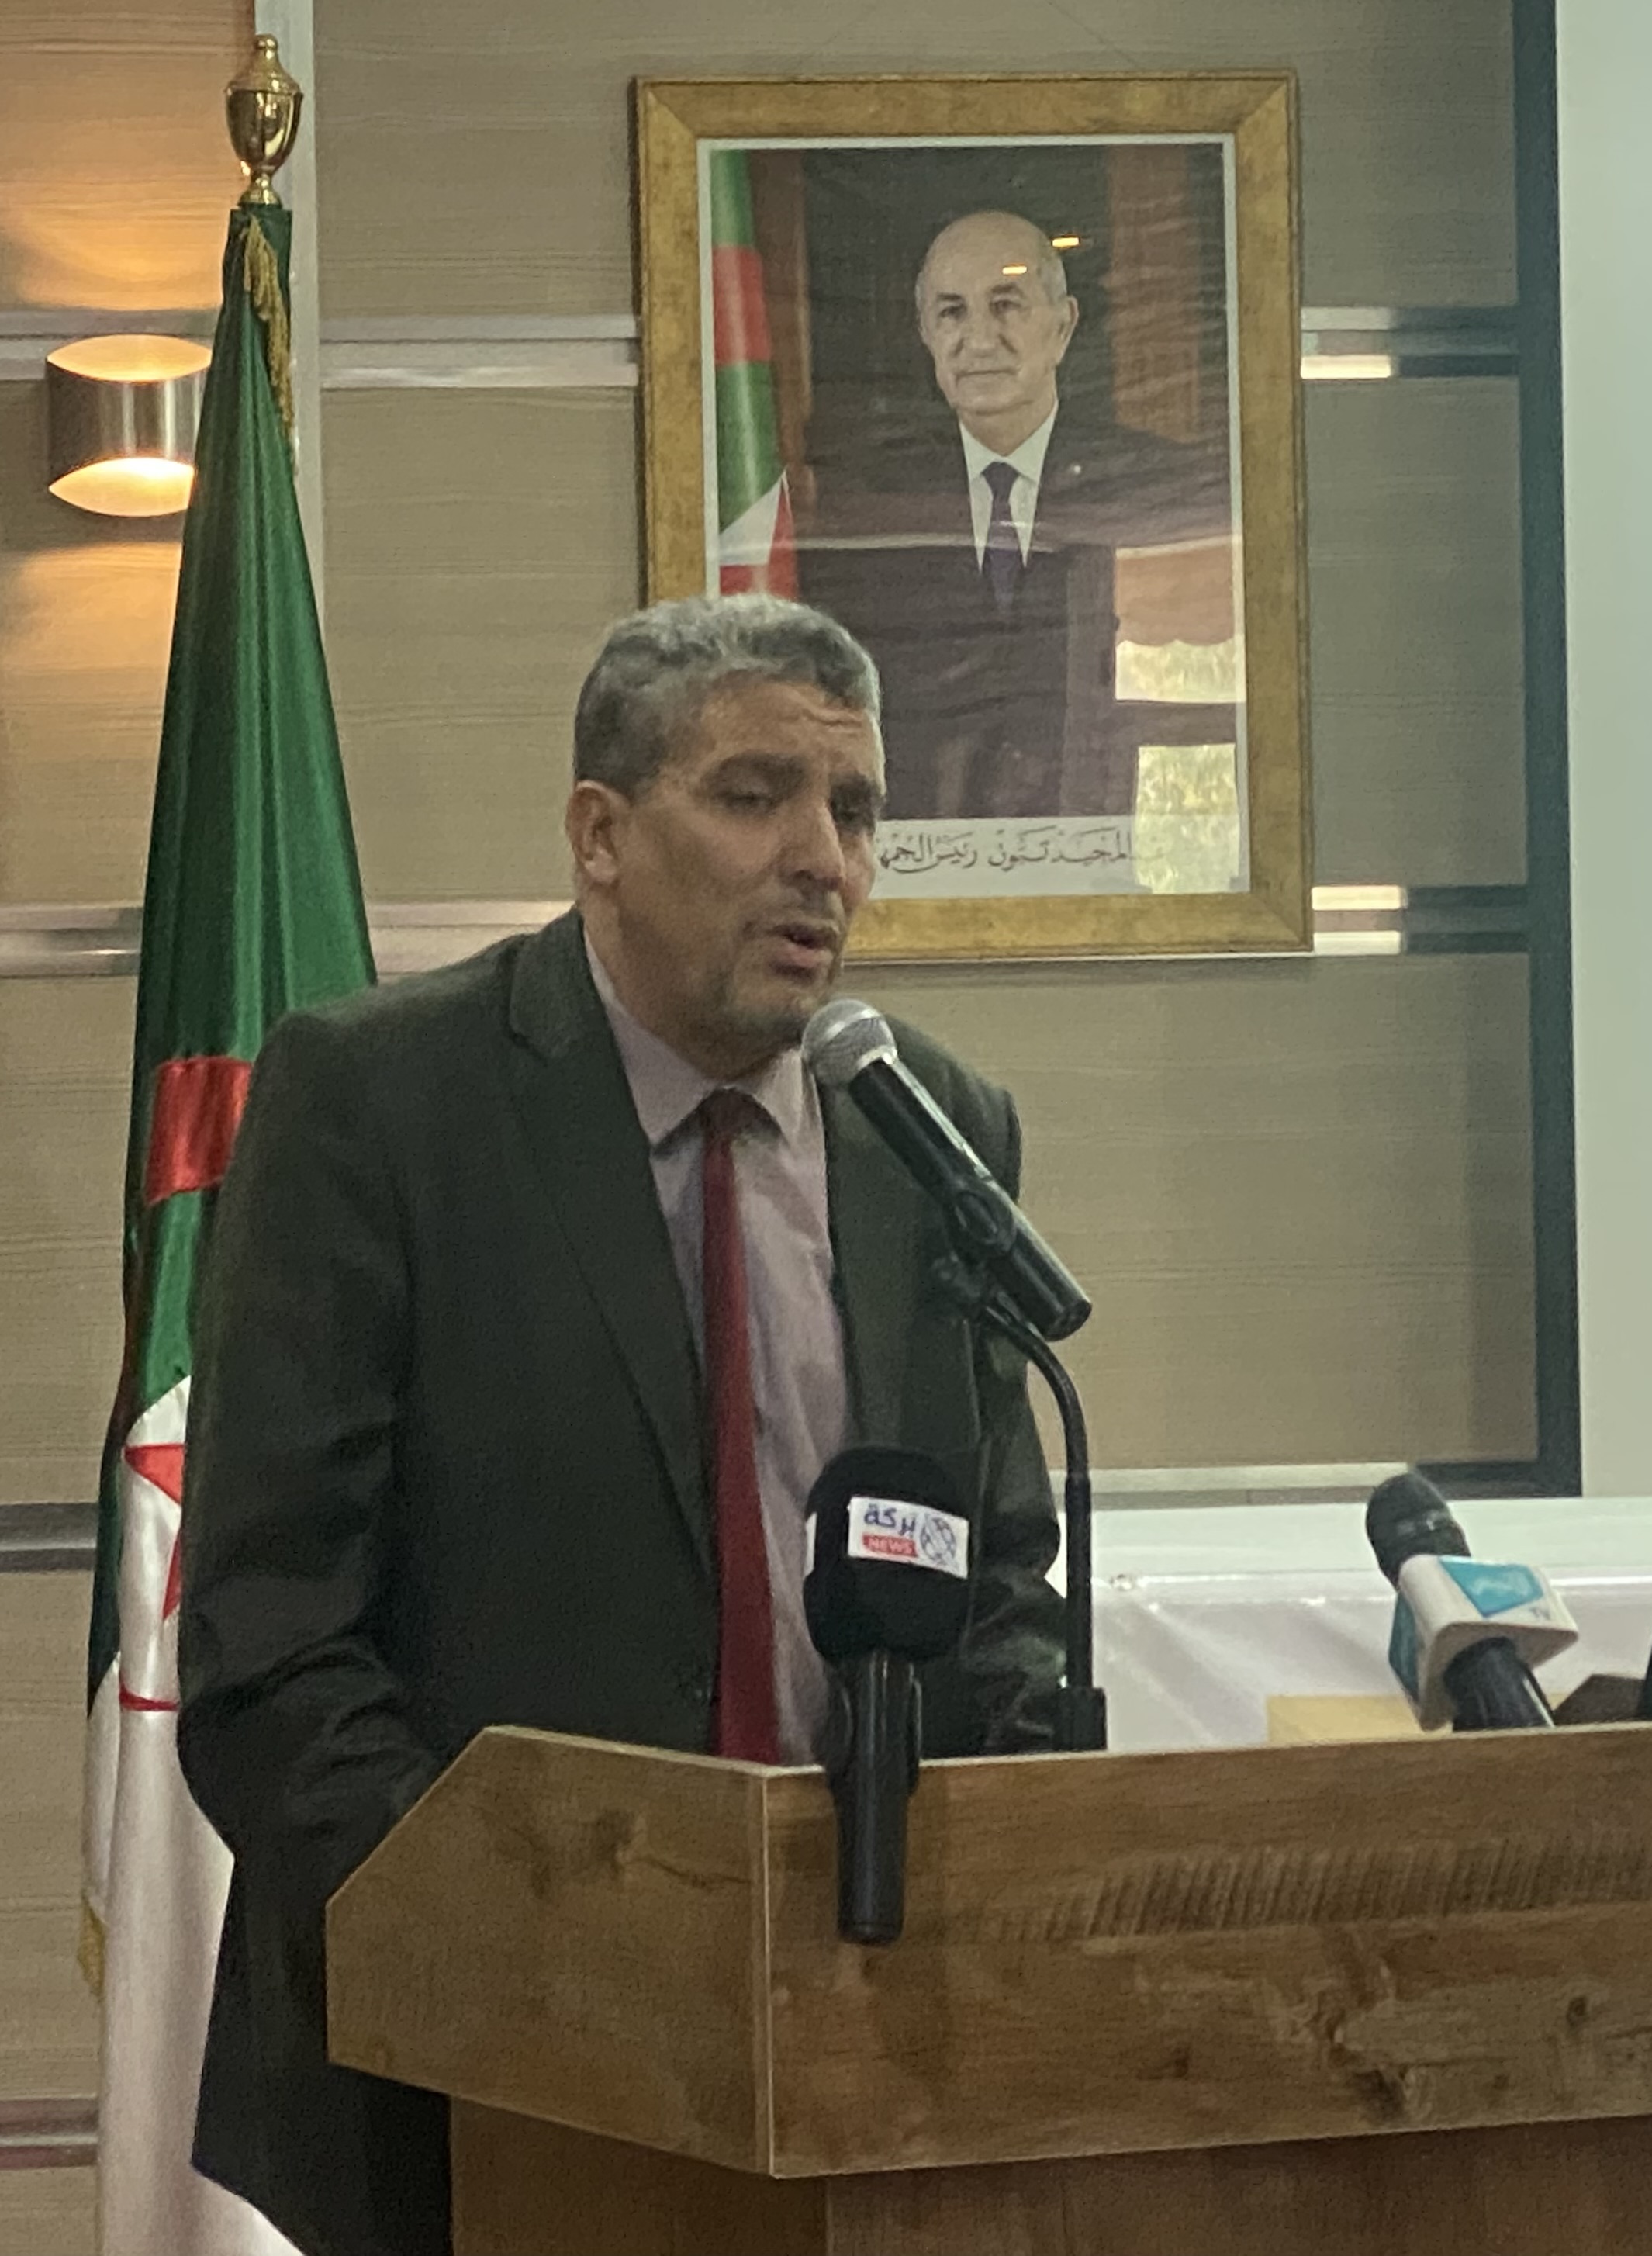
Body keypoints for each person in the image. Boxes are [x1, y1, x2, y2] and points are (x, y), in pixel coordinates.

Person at [175, 594, 1066, 2256]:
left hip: (868, 2049)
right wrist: (541, 1944)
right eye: (754, 795)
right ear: (600, 832)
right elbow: (268, 1647)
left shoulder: (930, 1132)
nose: (823, 860)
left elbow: (998, 1577)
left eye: (856, 809)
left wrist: (1003, 1885)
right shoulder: (381, 1104)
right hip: (475, 2070)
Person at [799, 209, 1232, 824]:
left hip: (1111, 823)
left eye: (1006, 306)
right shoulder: (870, 500)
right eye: (952, 312)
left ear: (1063, 326)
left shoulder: (1157, 486)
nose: (979, 340)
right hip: (921, 841)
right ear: (925, 334)